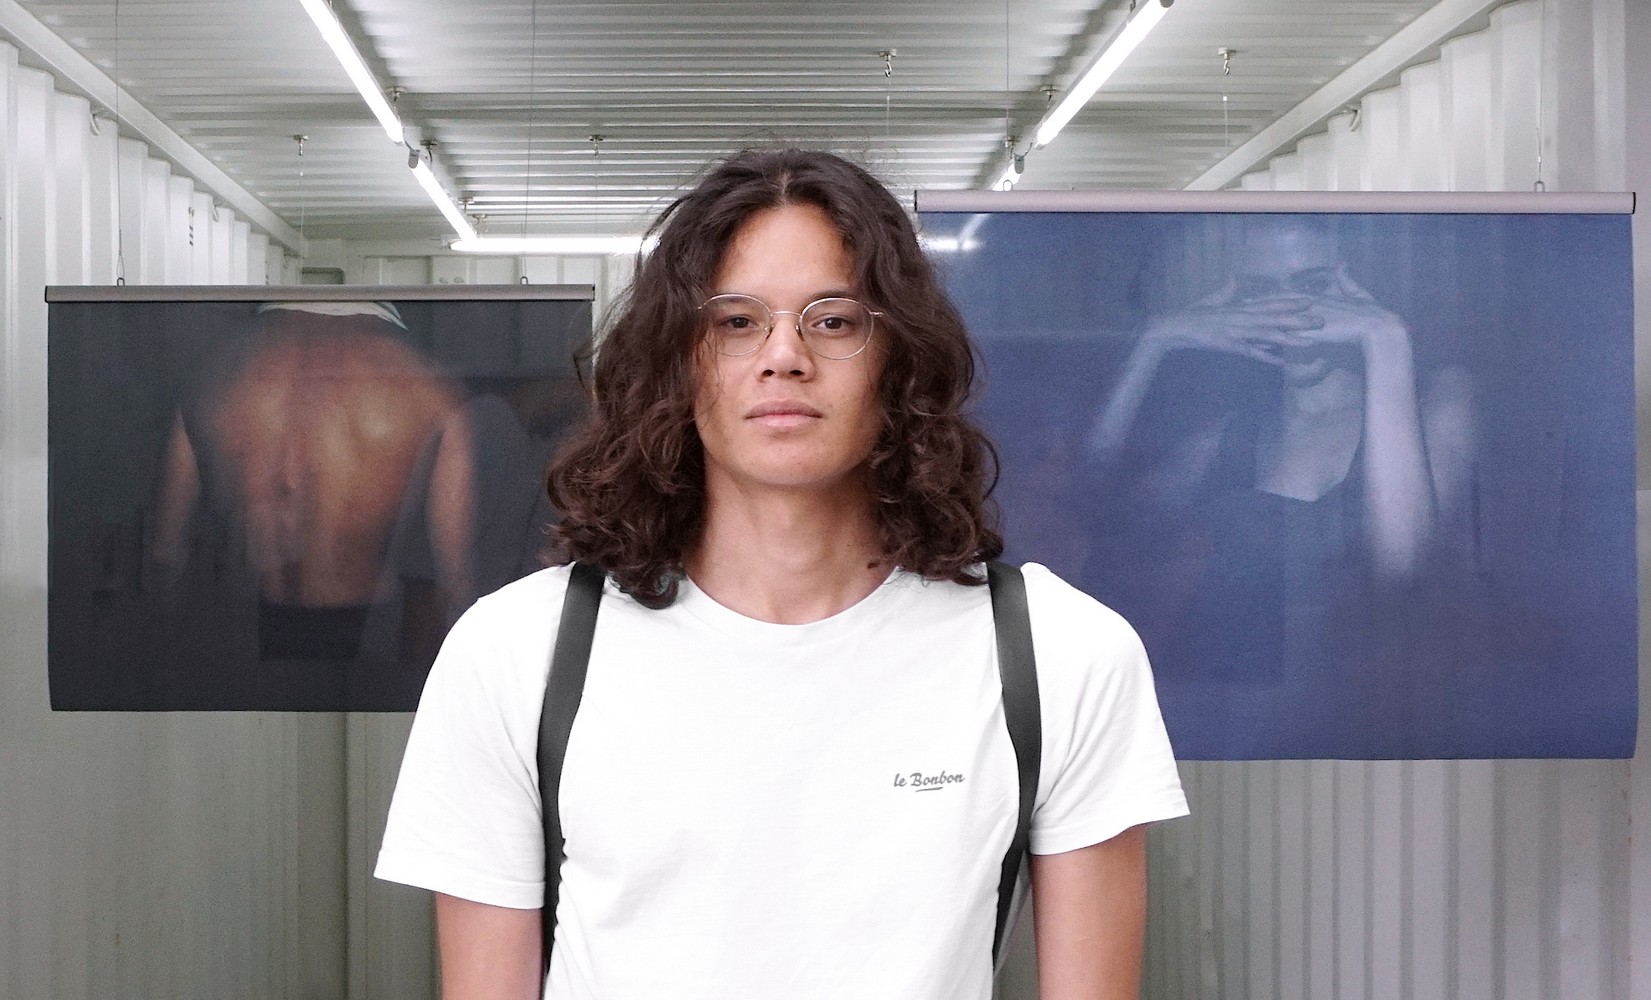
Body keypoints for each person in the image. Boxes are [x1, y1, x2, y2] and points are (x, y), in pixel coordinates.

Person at [375, 149, 1187, 1000]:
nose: (783, 355)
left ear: (898, 362)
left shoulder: (1057, 655)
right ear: (677, 362)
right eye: (735, 322)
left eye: (833, 321)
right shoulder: (517, 654)